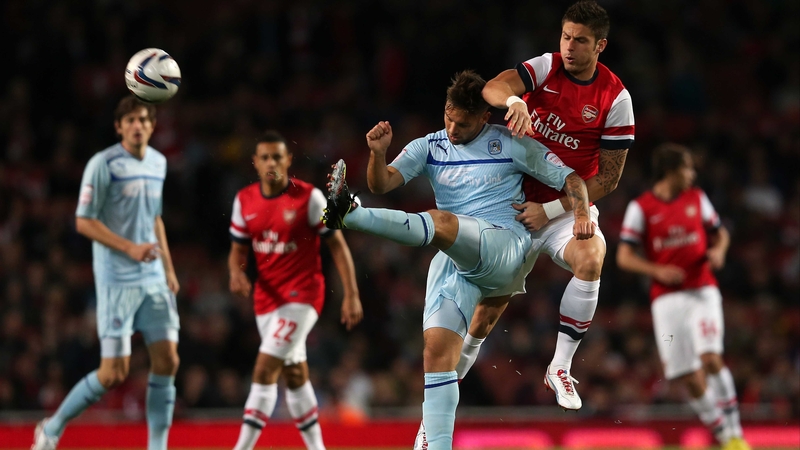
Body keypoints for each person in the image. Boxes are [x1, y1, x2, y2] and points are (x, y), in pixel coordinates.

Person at [323, 70, 594, 450]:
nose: (452, 128)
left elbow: (573, 179)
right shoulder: (430, 146)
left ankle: (350, 215)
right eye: (448, 117)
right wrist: (378, 153)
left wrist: (579, 214)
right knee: (437, 357)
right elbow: (381, 184)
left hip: (505, 247)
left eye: (462, 122)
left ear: (485, 117)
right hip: (457, 262)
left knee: (441, 221)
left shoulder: (511, 143)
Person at [454, 0, 635, 413]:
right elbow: (492, 88)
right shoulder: (545, 67)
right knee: (486, 314)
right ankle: (448, 389)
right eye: (566, 36)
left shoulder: (615, 98)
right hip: (512, 206)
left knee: (591, 258)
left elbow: (607, 179)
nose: (570, 47)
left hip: (563, 207)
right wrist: (514, 102)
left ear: (600, 46)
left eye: (581, 41)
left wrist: (554, 210)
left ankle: (560, 367)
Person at [32, 96, 181, 450]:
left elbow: (155, 218)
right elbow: (83, 221)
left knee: (168, 360)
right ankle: (52, 428)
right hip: (118, 281)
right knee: (113, 373)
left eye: (144, 119)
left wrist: (169, 268)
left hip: (153, 279)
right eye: (130, 120)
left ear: (152, 125)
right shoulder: (103, 164)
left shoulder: (159, 163)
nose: (138, 125)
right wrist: (130, 249)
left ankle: (157, 447)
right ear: (119, 126)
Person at [228, 131, 363, 450]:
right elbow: (237, 251)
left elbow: (338, 247)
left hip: (303, 296)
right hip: (266, 301)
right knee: (293, 372)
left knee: (265, 367)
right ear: (255, 163)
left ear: (288, 160)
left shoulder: (309, 198)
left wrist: (351, 293)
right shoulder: (244, 201)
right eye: (265, 157)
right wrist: (235, 272)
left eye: (278, 156)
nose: (272, 162)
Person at [616, 143, 750, 450]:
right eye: (687, 168)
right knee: (689, 376)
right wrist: (655, 270)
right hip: (667, 299)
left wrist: (719, 250)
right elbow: (624, 256)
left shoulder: (697, 199)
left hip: (702, 289)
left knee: (711, 358)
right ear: (670, 171)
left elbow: (721, 233)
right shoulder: (642, 208)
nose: (692, 174)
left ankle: (735, 432)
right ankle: (723, 436)